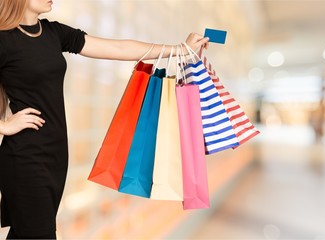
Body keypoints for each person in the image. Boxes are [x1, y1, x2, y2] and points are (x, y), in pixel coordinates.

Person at [0, 0, 209, 239]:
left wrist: (180, 48)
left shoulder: (53, 32)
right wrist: (4, 126)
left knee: (25, 233)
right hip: (25, 157)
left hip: (55, 155)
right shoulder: (4, 39)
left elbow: (119, 49)